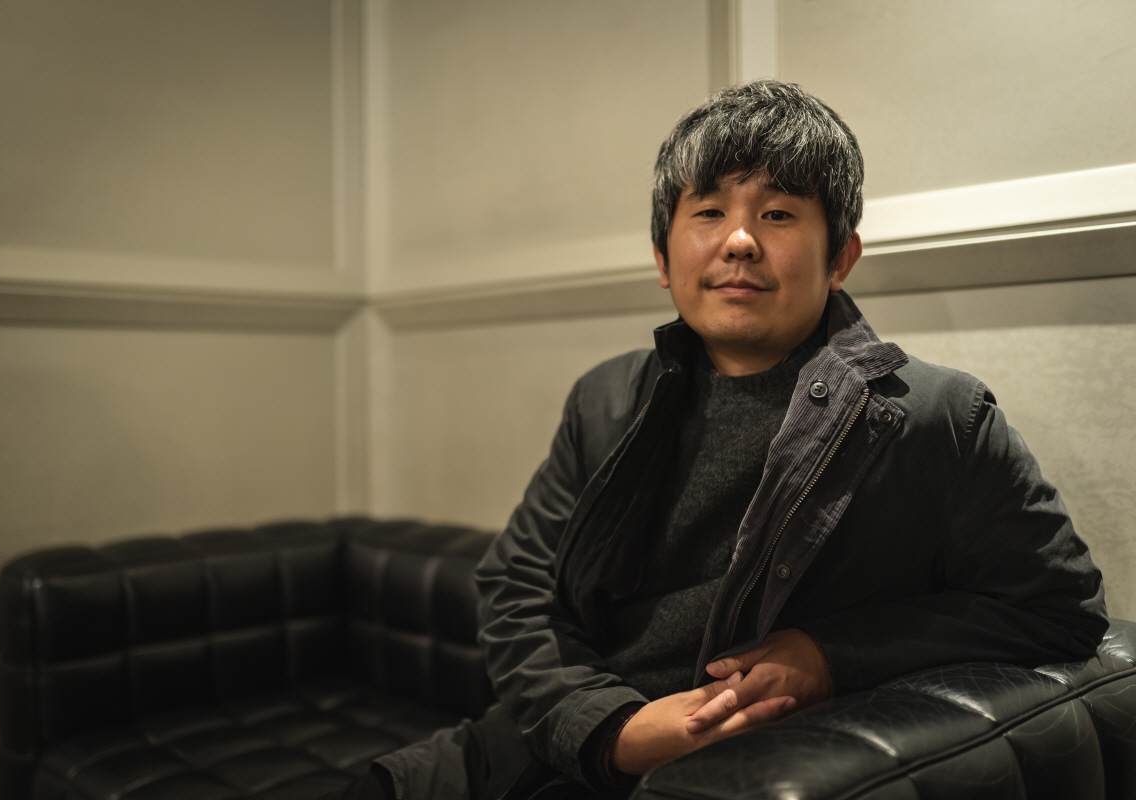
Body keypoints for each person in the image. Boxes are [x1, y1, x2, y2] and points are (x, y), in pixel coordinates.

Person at [350, 79, 1108, 800]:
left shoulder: (937, 416)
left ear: (841, 258)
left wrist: (829, 655)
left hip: (720, 773)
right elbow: (519, 589)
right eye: (709, 211)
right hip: (539, 742)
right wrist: (607, 727)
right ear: (662, 256)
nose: (740, 240)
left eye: (778, 214)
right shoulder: (607, 397)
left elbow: (1058, 606)